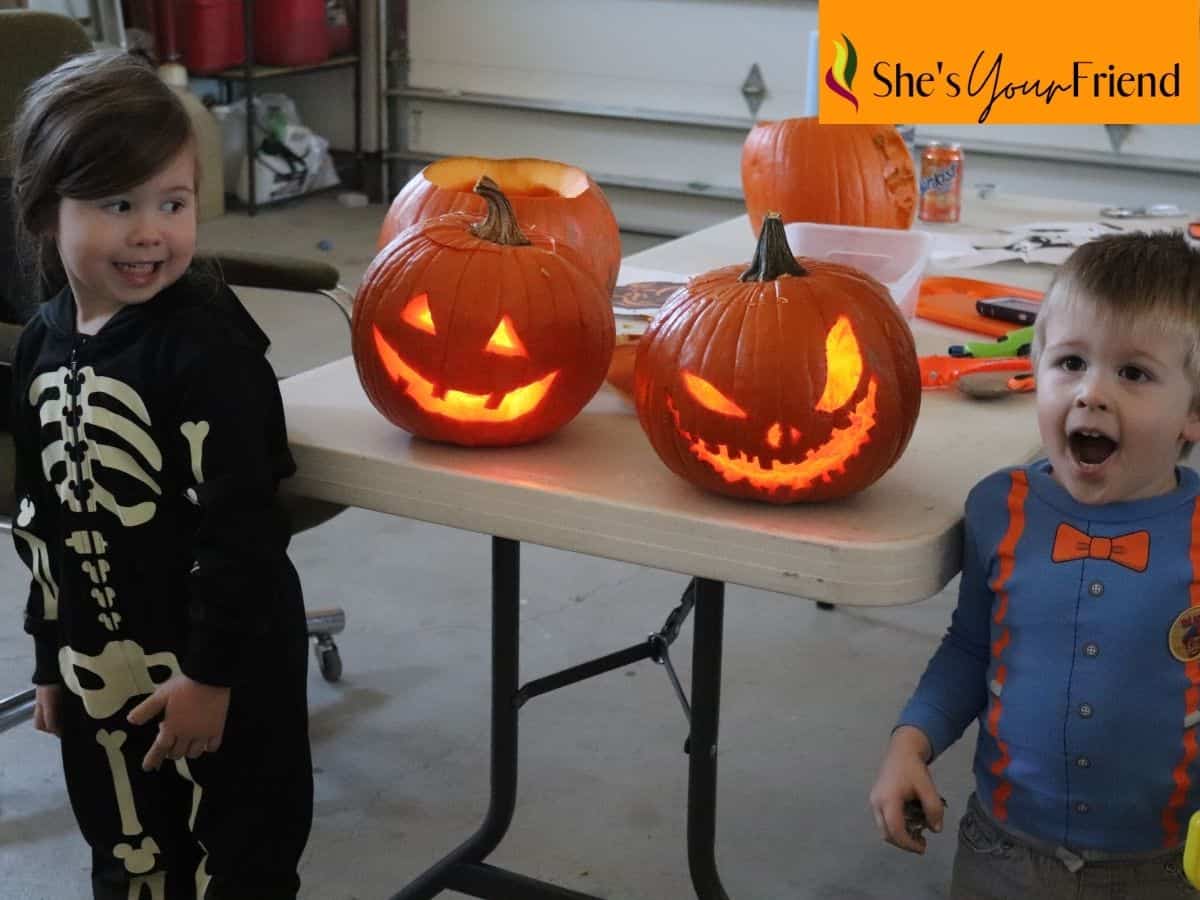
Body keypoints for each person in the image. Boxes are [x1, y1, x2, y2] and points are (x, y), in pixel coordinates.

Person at [8, 50, 312, 899]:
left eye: (171, 204)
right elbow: (40, 521)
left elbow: (244, 526)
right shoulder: (39, 345)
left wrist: (212, 676)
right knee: (128, 854)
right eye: (117, 204)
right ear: (43, 212)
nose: (151, 231)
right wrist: (47, 657)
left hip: (224, 665)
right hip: (97, 664)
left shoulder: (208, 343)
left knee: (238, 858)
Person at [869, 230, 1200, 898]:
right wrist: (911, 742)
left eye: (1132, 373)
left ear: (1193, 413)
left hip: (1163, 861)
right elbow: (969, 648)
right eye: (1070, 362)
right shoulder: (1000, 509)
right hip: (1002, 848)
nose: (1090, 393)